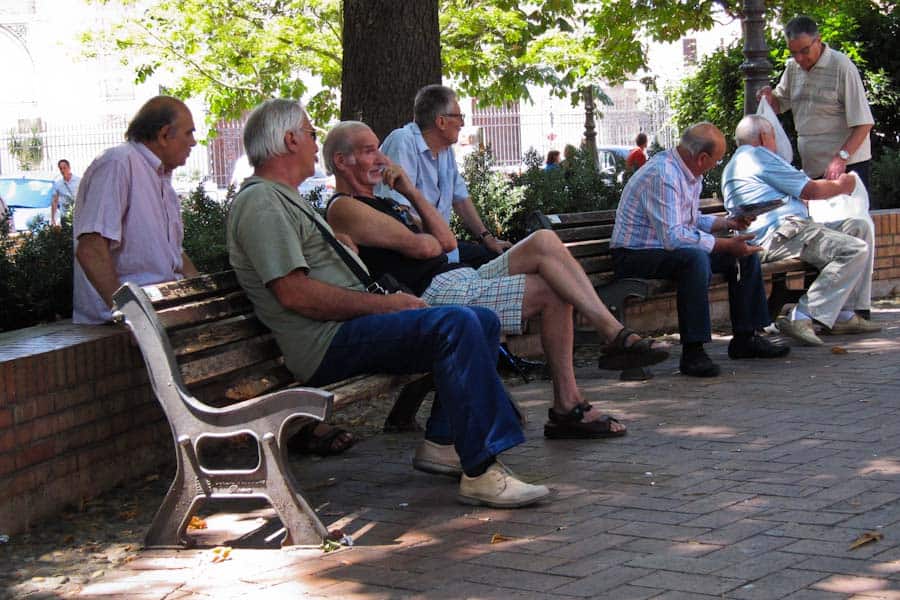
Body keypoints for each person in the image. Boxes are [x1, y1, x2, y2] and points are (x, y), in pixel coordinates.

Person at [226, 98, 551, 509]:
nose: (314, 143)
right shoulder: (262, 203)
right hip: (326, 342)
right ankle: (483, 469)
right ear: (290, 140)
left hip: (343, 329)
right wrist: (385, 306)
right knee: (456, 325)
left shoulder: (283, 199)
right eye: (310, 134)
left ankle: (445, 443)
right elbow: (295, 294)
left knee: (481, 320)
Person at [324, 121, 671, 439]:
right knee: (554, 290)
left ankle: (611, 335)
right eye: (369, 150)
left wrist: (412, 191)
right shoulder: (345, 207)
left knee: (545, 242)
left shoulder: (388, 204)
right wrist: (425, 239)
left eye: (378, 148)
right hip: (435, 294)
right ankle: (571, 400)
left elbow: (444, 242)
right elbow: (429, 246)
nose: (381, 157)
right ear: (342, 161)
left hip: (457, 277)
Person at [610, 122, 790, 378]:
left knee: (743, 255)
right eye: (715, 160)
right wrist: (725, 243)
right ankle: (693, 352)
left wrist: (728, 223)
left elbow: (690, 221)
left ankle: (746, 337)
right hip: (634, 254)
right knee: (695, 259)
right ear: (701, 157)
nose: (715, 165)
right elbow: (674, 237)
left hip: (662, 248)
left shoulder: (688, 173)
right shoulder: (664, 175)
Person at [722, 115, 878, 346]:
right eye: (774, 136)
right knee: (854, 249)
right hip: (781, 233)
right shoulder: (758, 156)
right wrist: (843, 186)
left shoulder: (738, 161)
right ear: (765, 137)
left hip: (787, 231)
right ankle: (802, 316)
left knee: (859, 227)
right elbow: (811, 190)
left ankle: (843, 314)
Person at [73, 96, 199, 324]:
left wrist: (203, 294)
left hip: (162, 307)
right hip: (126, 321)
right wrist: (131, 317)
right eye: (189, 133)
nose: (194, 142)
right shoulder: (118, 163)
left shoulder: (161, 177)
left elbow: (174, 254)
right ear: (164, 135)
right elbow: (91, 250)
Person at [377, 84, 511, 267]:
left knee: (503, 258)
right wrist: (437, 237)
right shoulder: (403, 141)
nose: (462, 124)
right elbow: (398, 212)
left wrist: (487, 238)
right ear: (441, 122)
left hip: (443, 247)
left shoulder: (444, 150)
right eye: (459, 117)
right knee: (486, 270)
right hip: (413, 253)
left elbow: (460, 199)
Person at [757, 16, 874, 188]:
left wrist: (841, 158)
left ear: (818, 40)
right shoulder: (792, 68)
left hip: (847, 164)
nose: (799, 58)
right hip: (813, 167)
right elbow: (779, 104)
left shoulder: (842, 66)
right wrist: (767, 98)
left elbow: (864, 124)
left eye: (804, 51)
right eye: (793, 53)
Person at [50, 159, 80, 226]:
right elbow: (54, 202)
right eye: (60, 168)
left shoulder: (79, 181)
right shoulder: (58, 184)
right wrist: (53, 218)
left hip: (78, 216)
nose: (62, 170)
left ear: (69, 168)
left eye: (64, 168)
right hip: (64, 217)